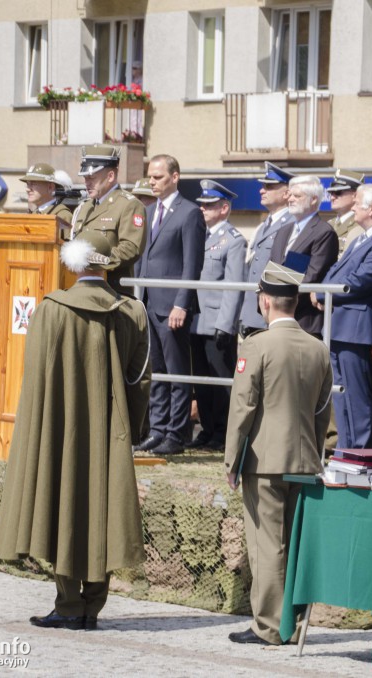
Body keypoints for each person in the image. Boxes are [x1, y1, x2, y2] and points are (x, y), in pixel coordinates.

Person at [0, 230, 151, 631]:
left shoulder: (51, 308)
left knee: (61, 505)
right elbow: (140, 379)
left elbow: (36, 381)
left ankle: (67, 604)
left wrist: (36, 432)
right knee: (104, 510)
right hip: (110, 429)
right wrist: (132, 429)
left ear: (75, 264)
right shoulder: (132, 311)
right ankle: (91, 607)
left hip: (61, 428)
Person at [224, 262, 332, 645]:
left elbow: (243, 408)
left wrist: (231, 460)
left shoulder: (256, 345)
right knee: (295, 542)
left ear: (265, 302)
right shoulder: (318, 348)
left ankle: (269, 626)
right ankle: (293, 623)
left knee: (267, 544)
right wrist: (315, 454)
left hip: (264, 460)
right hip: (304, 460)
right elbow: (323, 414)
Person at [315, 183, 372, 449]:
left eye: (357, 203)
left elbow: (360, 281)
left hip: (357, 328)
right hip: (341, 326)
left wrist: (323, 293)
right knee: (341, 394)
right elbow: (334, 271)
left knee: (358, 395)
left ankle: (360, 451)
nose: (352, 207)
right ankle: (345, 450)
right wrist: (322, 290)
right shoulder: (362, 238)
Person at [133, 154, 206, 456]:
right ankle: (158, 428)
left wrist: (182, 304)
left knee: (176, 372)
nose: (152, 182)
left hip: (172, 305)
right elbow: (142, 258)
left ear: (175, 177)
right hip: (148, 301)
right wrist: (136, 297)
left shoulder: (189, 213)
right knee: (157, 371)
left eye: (158, 177)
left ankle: (176, 433)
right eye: (150, 176)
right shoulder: (149, 212)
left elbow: (192, 265)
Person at [188, 180, 246, 450]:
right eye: (202, 204)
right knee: (201, 381)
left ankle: (222, 432)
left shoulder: (233, 240)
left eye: (210, 205)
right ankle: (208, 428)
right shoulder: (201, 235)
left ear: (224, 208)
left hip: (216, 322)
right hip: (195, 320)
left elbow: (234, 286)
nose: (203, 209)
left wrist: (226, 324)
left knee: (221, 382)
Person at [70, 144, 148, 297]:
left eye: (92, 178)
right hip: (79, 288)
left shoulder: (129, 205)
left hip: (111, 292)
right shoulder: (84, 207)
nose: (87, 183)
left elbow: (131, 248)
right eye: (85, 178)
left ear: (110, 176)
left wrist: (96, 261)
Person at [268, 175, 338, 337]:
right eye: (290, 195)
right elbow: (273, 268)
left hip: (303, 321)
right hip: (276, 317)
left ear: (314, 199)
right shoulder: (284, 231)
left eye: (297, 196)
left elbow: (312, 275)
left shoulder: (323, 232)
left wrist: (279, 302)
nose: (290, 199)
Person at [239, 162, 296, 337]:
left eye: (269, 186)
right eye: (263, 186)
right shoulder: (263, 226)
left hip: (272, 314)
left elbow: (288, 271)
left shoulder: (292, 223)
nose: (261, 190)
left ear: (286, 193)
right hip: (253, 314)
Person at [326, 168, 365, 255]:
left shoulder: (361, 225)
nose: (332, 197)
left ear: (355, 195)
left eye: (338, 192)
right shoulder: (328, 224)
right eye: (331, 193)